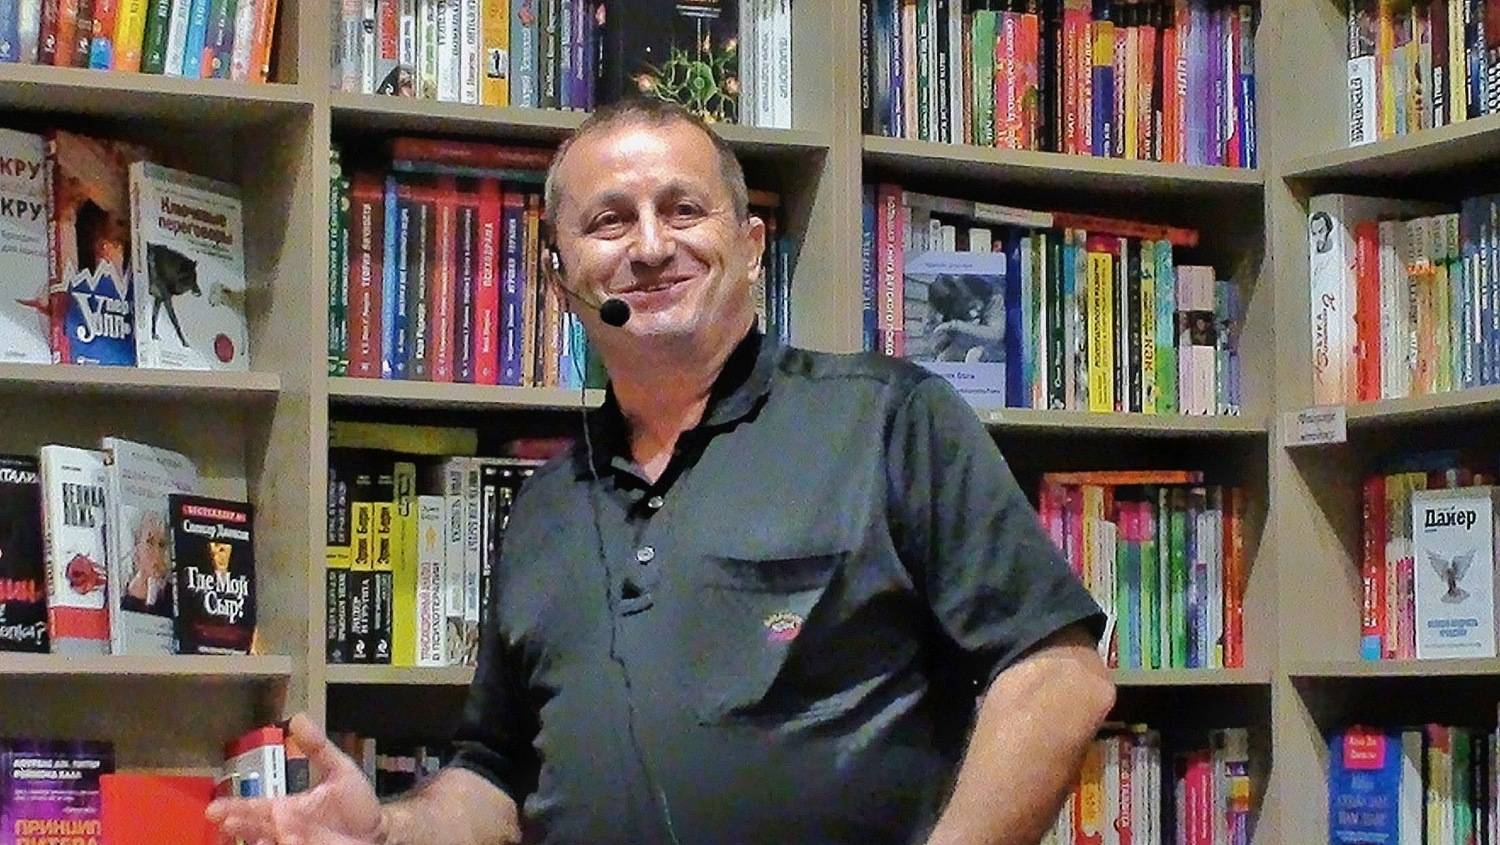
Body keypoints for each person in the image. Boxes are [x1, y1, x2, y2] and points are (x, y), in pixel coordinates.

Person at [207, 98, 1114, 845]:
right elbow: (495, 777)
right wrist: (387, 830)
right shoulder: (543, 509)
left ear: (750, 245)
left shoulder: (889, 421)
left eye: (683, 210)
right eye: (609, 221)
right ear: (560, 276)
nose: (648, 247)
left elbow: (1061, 675)